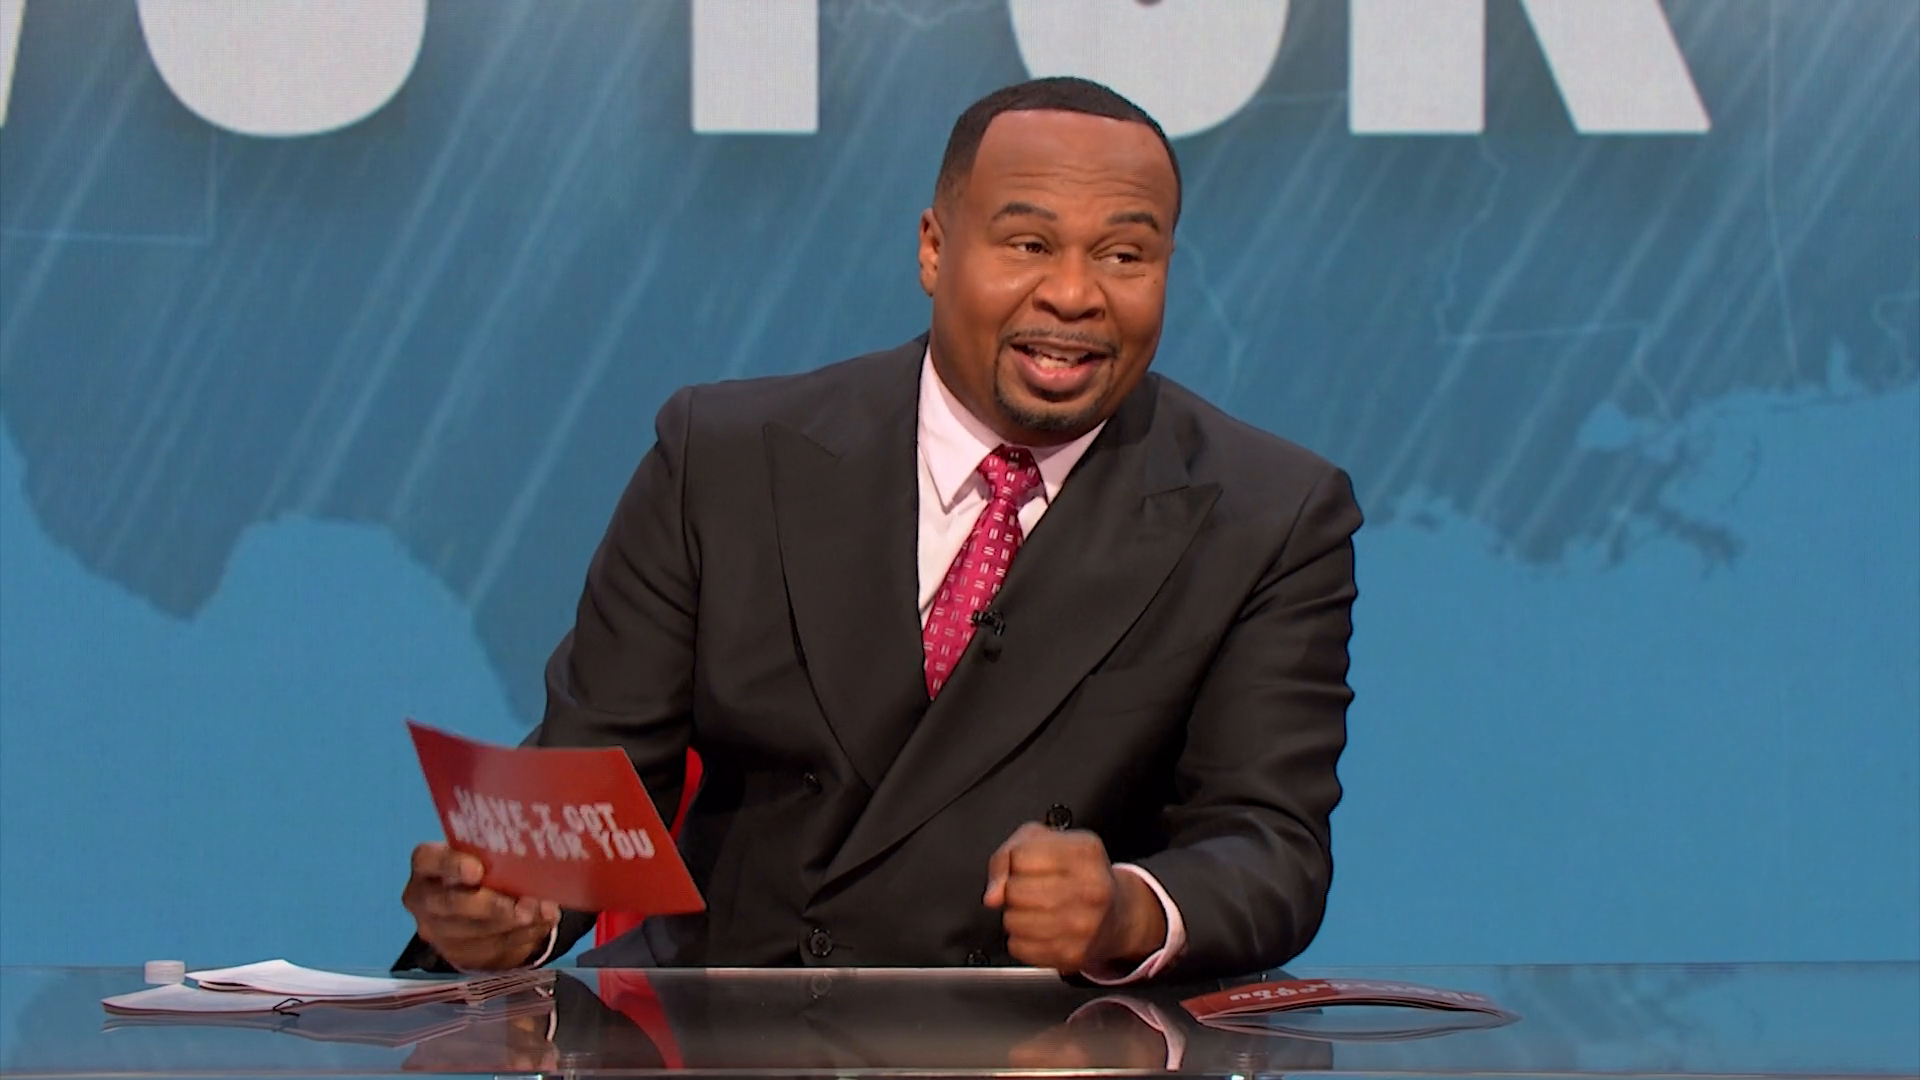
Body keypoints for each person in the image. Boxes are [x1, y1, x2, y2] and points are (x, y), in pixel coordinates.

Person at [398, 76, 1361, 983]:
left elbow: (1270, 846)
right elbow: (598, 780)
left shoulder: (1267, 514)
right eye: (1029, 245)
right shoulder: (726, 459)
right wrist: (515, 910)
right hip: (726, 1031)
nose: (1074, 293)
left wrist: (1127, 913)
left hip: (1045, 1045)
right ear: (935, 250)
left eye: (1124, 256)